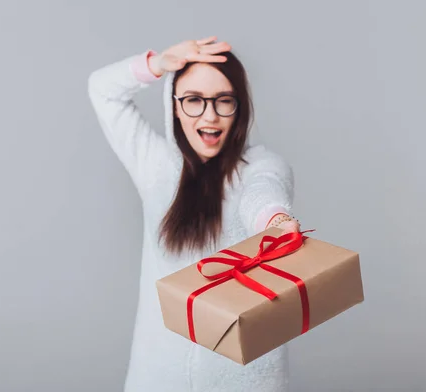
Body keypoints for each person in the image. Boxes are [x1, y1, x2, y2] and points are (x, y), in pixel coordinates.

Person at [88, 36, 301, 392]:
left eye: (223, 101)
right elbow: (102, 89)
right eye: (194, 100)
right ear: (174, 107)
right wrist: (159, 64)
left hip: (244, 376)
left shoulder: (261, 166)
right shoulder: (156, 168)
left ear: (240, 107)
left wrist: (276, 222)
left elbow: (264, 195)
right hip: (159, 373)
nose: (210, 116)